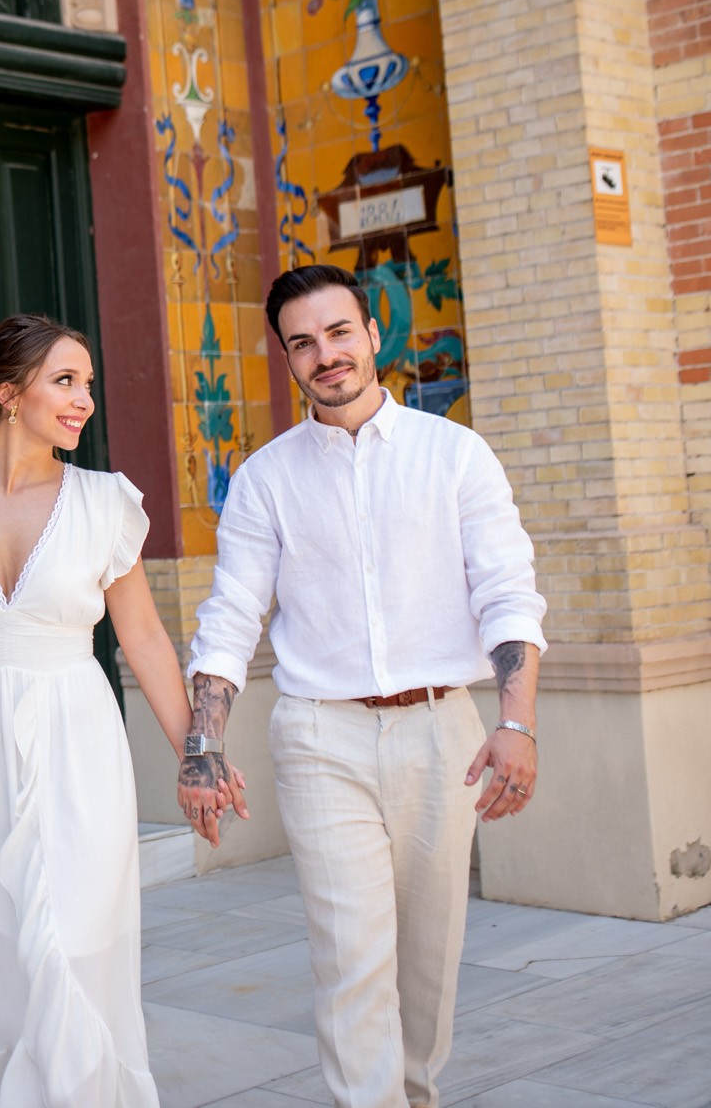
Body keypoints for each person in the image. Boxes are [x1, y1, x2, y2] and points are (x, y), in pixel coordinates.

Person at [178, 265, 546, 1108]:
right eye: (303, 342)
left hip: (440, 732)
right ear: (287, 358)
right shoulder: (265, 478)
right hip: (319, 736)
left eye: (340, 332)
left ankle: (416, 1095)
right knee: (350, 958)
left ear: (373, 334)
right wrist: (202, 746)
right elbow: (231, 618)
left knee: (428, 959)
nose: (326, 354)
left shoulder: (454, 453)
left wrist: (516, 723)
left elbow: (506, 592)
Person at [0, 313, 246, 1108]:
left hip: (77, 737)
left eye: (88, 384)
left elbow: (143, 635)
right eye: (65, 382)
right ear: (9, 395)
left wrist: (198, 751)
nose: (84, 401)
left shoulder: (104, 502)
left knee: (75, 934)